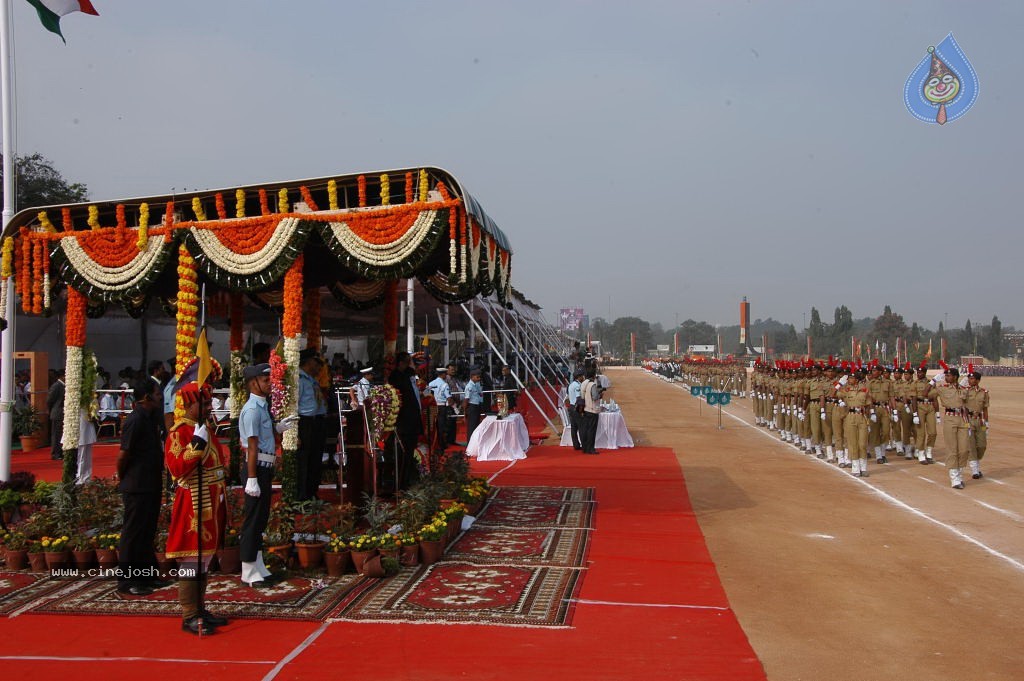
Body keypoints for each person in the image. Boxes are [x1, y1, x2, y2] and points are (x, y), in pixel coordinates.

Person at [164, 376, 229, 635]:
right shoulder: (179, 432)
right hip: (193, 500)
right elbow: (177, 468)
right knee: (192, 558)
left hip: (211, 499)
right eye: (202, 405)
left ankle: (200, 608)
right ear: (189, 406)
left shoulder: (204, 427)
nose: (208, 409)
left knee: (204, 558)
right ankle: (189, 613)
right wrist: (197, 445)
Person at [239, 363, 296, 587]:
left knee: (261, 519)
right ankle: (247, 570)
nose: (269, 383)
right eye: (264, 380)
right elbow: (252, 446)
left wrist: (277, 429)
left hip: (264, 466)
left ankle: (257, 565)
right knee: (252, 521)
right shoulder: (252, 409)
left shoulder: (262, 407)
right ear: (253, 383)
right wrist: (252, 478)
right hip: (256, 468)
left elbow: (264, 437)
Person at [116, 380, 168, 596]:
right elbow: (123, 455)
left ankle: (147, 575)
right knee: (133, 534)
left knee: (147, 532)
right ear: (146, 397)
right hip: (136, 485)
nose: (160, 397)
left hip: (150, 482)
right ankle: (127, 581)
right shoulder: (135, 420)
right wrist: (125, 478)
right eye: (156, 394)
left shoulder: (151, 418)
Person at [296, 349, 327, 501]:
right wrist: (295, 433)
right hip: (304, 423)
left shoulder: (312, 380)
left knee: (315, 460)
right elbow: (293, 407)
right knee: (304, 461)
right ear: (309, 363)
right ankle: (303, 496)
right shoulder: (299, 380)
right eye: (317, 364)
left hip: (317, 423)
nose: (319, 368)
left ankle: (312, 493)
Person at [388, 351, 423, 490]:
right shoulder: (396, 377)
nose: (411, 364)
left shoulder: (409, 374)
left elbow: (414, 372)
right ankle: (401, 483)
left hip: (413, 419)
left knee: (409, 452)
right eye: (408, 361)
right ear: (401, 362)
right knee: (403, 453)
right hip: (404, 421)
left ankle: (407, 479)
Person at [934, 366, 969, 489]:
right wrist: (932, 381)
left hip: (962, 419)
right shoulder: (942, 388)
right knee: (952, 448)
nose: (946, 377)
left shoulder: (963, 389)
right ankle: (955, 478)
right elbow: (925, 393)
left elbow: (967, 405)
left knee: (964, 449)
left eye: (948, 376)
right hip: (950, 418)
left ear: (955, 377)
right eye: (945, 375)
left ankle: (959, 474)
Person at [839, 369, 872, 477]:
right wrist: (839, 383)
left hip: (862, 417)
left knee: (862, 444)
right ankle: (855, 467)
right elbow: (832, 393)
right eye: (849, 378)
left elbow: (868, 406)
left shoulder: (865, 390)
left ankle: (863, 467)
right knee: (852, 443)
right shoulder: (846, 390)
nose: (849, 379)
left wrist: (869, 419)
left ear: (857, 380)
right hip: (850, 417)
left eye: (852, 378)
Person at [964, 369, 990, 479]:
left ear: (978, 380)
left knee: (982, 445)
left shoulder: (984, 392)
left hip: (980, 421)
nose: (970, 380)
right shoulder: (965, 391)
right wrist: (965, 423)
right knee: (971, 445)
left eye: (972, 378)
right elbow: (962, 407)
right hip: (968, 420)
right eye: (969, 378)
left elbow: (985, 409)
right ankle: (975, 470)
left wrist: (987, 423)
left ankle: (976, 463)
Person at [425, 367, 453, 451]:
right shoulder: (444, 384)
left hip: (432, 406)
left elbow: (425, 394)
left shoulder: (431, 383)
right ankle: (440, 445)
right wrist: (453, 406)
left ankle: (432, 444)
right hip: (441, 407)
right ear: (443, 374)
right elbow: (449, 397)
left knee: (432, 426)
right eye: (445, 373)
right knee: (441, 426)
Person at [578, 368, 603, 455]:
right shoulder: (592, 385)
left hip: (586, 409)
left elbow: (582, 395)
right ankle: (591, 449)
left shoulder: (584, 383)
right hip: (592, 409)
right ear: (594, 375)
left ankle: (585, 447)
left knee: (586, 429)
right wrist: (600, 395)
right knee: (592, 431)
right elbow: (595, 397)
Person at [47, 369, 65, 461]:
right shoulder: (56, 386)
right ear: (62, 376)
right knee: (56, 435)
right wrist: (51, 410)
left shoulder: (63, 386)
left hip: (62, 413)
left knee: (61, 434)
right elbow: (50, 400)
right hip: (57, 413)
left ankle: (60, 452)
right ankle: (55, 453)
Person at [463, 367, 484, 444]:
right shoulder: (469, 386)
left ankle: (475, 442)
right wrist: (464, 412)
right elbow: (466, 399)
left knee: (476, 425)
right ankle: (470, 443)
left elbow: (480, 394)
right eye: (477, 377)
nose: (479, 379)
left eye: (479, 377)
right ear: (472, 377)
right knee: (472, 426)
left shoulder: (476, 384)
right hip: (472, 406)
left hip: (477, 406)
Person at [565, 369, 584, 450]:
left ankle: (576, 445)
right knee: (581, 427)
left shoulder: (570, 384)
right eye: (582, 376)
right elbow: (578, 398)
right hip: (576, 407)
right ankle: (584, 444)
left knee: (574, 428)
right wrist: (581, 410)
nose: (583, 377)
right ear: (578, 377)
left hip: (571, 407)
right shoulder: (577, 386)